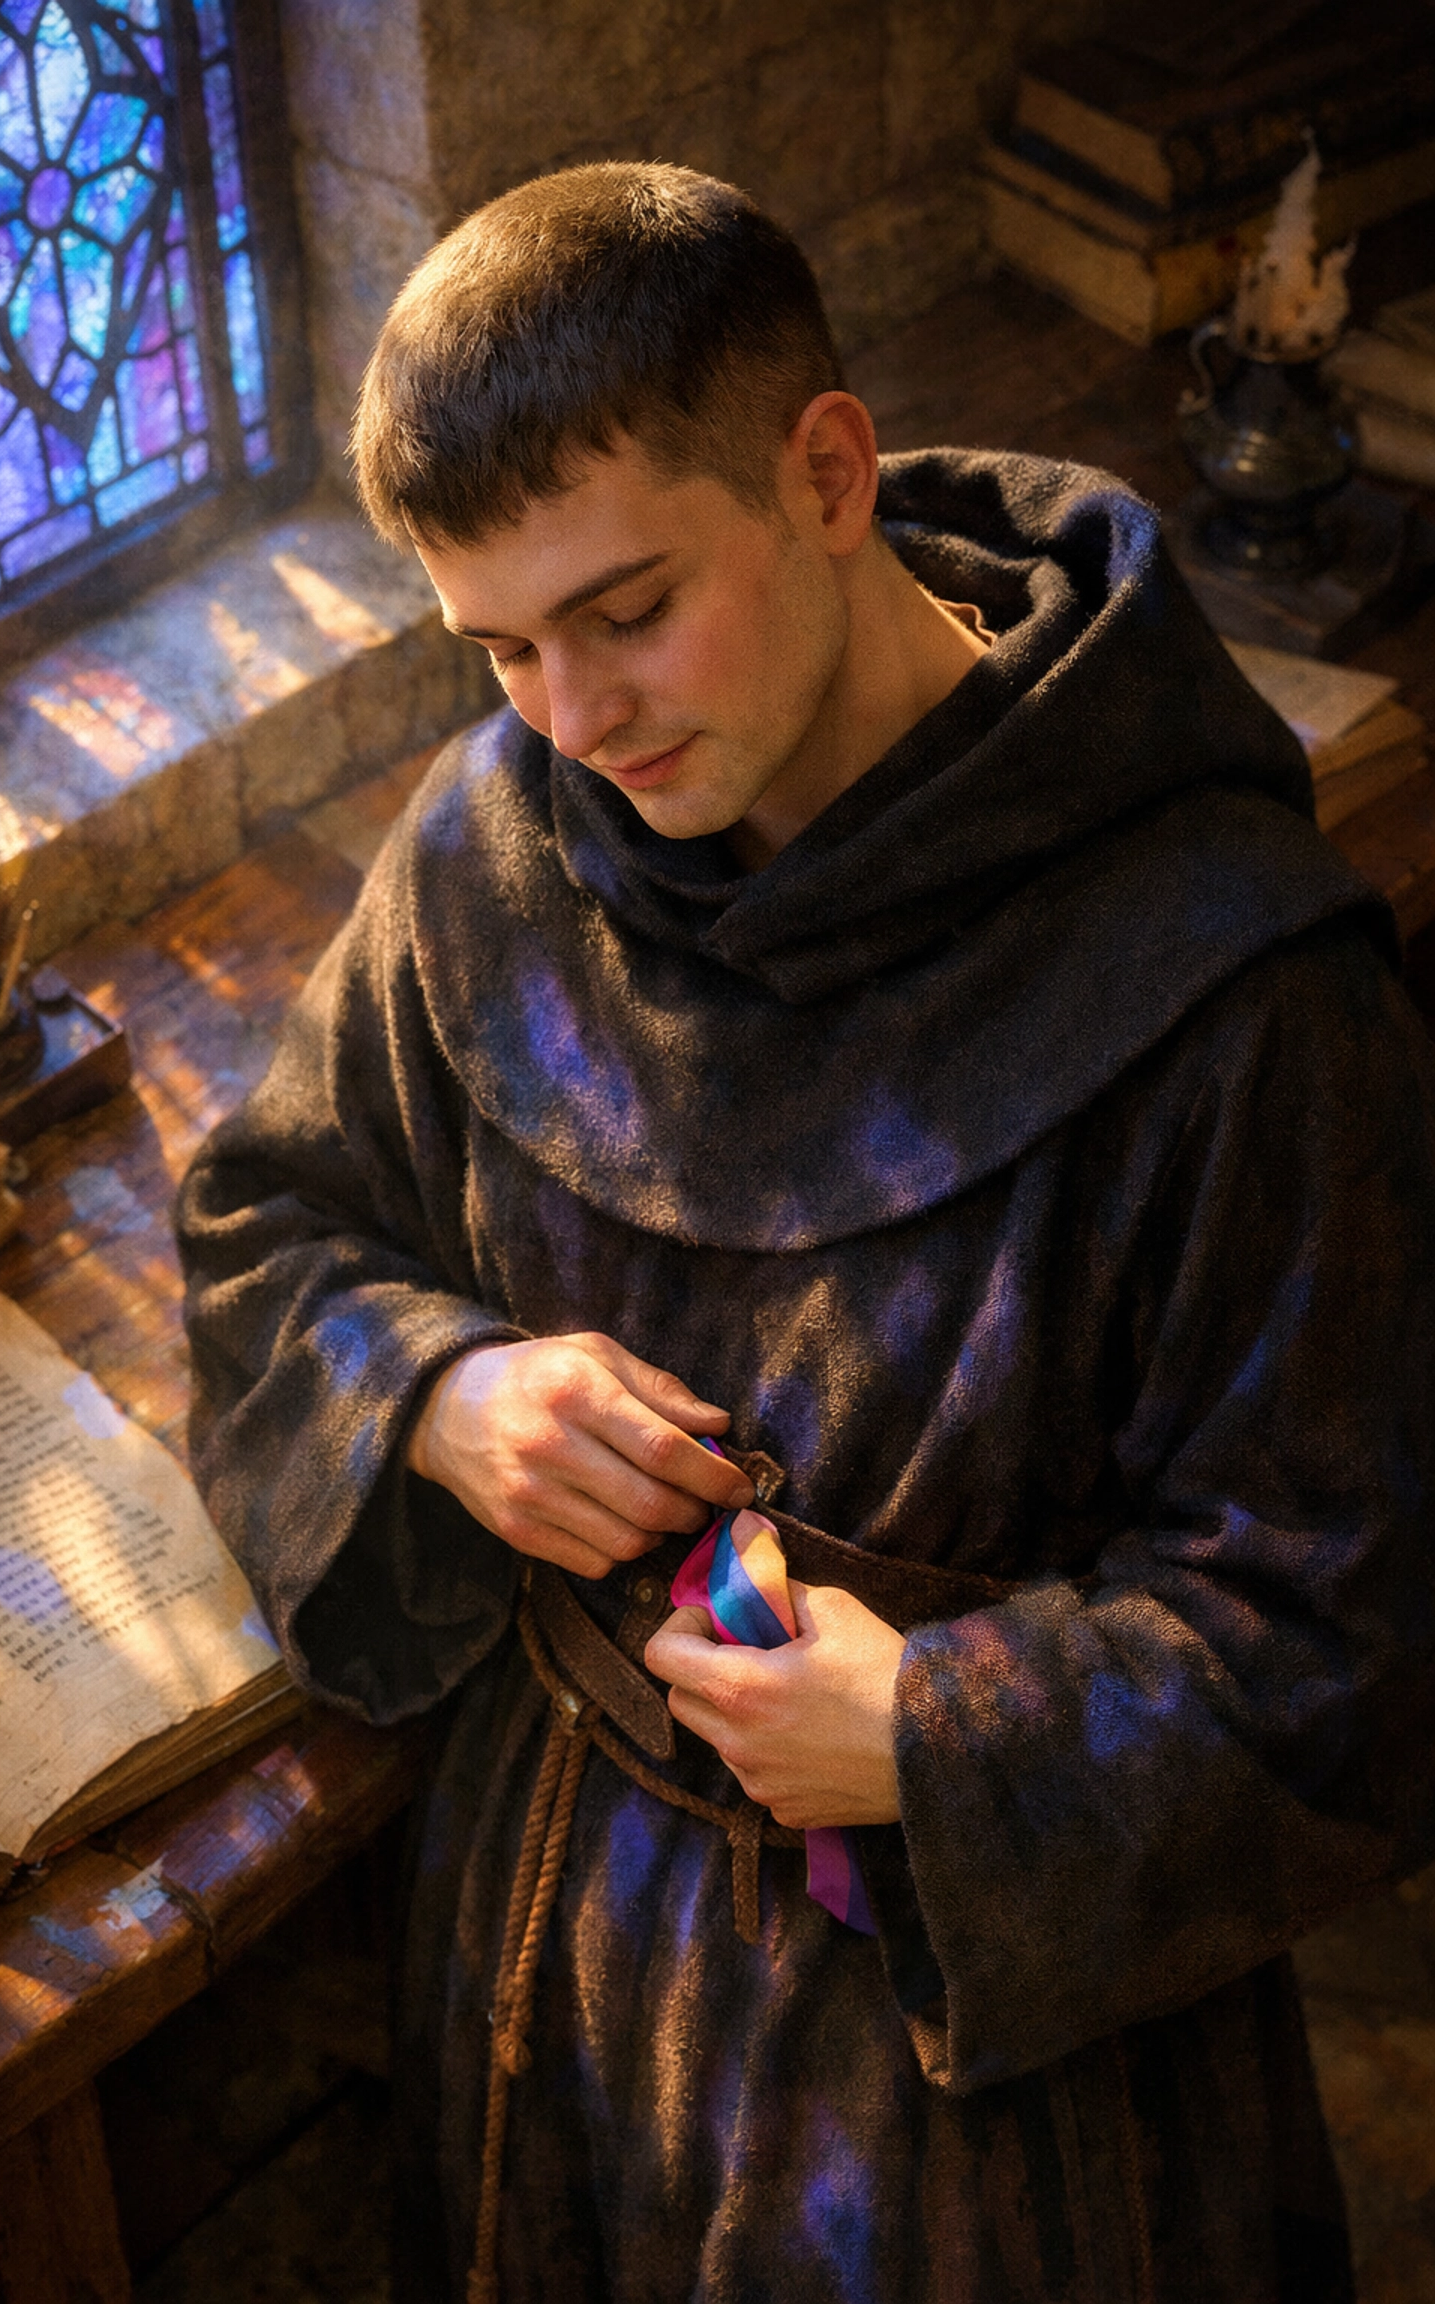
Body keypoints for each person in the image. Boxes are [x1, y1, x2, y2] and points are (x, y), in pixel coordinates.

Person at [176, 162, 1435, 2304]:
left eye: (629, 609)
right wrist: (440, 1393)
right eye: (499, 647)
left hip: (982, 2089)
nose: (571, 720)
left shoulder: (1236, 995)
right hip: (547, 1982)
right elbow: (272, 1228)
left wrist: (944, 1739)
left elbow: (1360, 1633)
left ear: (829, 474)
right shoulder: (504, 842)